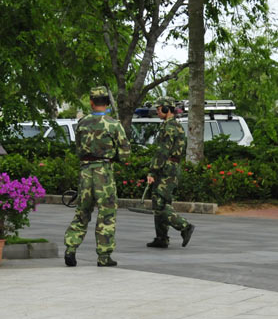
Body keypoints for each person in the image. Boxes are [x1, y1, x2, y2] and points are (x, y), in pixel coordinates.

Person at [64, 86, 131, 267]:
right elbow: (125, 154)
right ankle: (104, 256)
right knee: (106, 213)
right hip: (104, 174)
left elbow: (78, 150)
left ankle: (71, 248)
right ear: (107, 103)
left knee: (82, 211)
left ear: (91, 102)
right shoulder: (114, 124)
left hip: (85, 172)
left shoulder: (82, 123)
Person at [146, 96, 194, 248]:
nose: (157, 112)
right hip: (172, 168)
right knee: (163, 201)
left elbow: (162, 152)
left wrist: (152, 172)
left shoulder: (168, 127)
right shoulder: (177, 126)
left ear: (167, 109)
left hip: (165, 169)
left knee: (159, 205)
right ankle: (161, 237)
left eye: (159, 109)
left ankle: (184, 226)